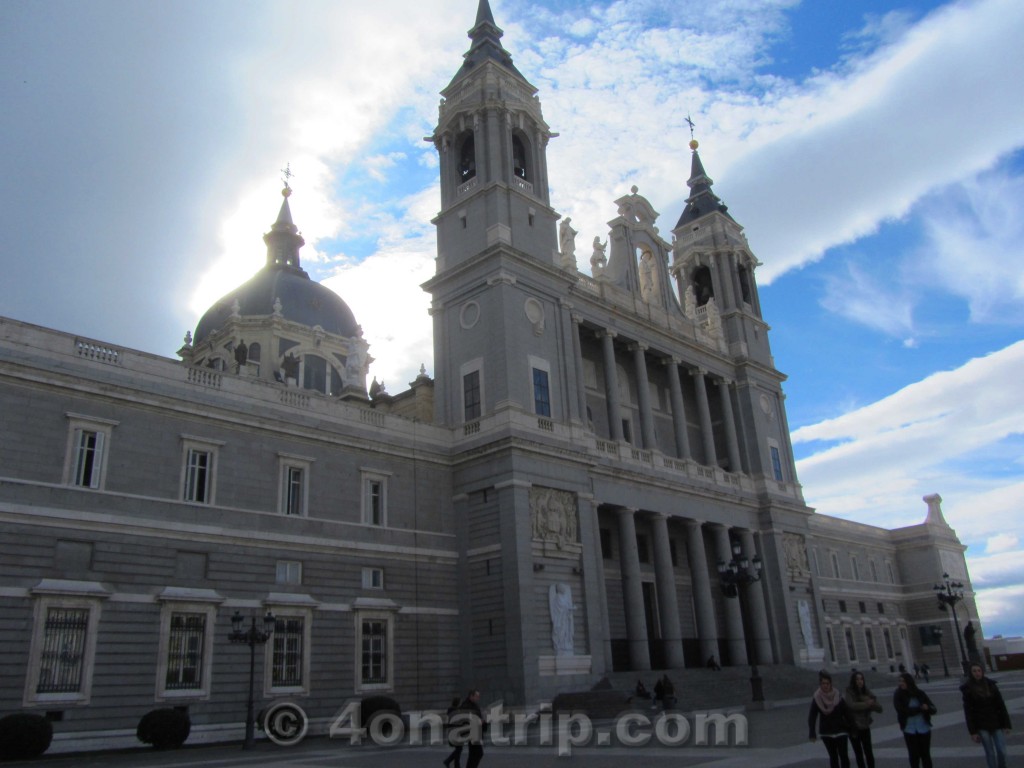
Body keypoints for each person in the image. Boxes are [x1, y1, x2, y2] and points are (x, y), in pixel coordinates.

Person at [960, 662, 1012, 768]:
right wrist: (973, 732)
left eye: (979, 670)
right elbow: (968, 712)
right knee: (990, 752)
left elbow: (1001, 705)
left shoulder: (991, 685)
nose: (977, 673)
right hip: (981, 724)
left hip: (996, 721)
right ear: (971, 673)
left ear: (982, 671)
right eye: (974, 671)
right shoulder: (968, 689)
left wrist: (1007, 724)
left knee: (1001, 750)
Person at [808, 670, 851, 768]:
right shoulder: (817, 697)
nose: (825, 686)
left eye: (827, 683)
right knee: (833, 756)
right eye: (823, 683)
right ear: (820, 684)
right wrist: (812, 732)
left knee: (844, 756)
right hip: (826, 732)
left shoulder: (837, 695)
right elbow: (812, 716)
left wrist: (851, 727)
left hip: (840, 730)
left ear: (831, 684)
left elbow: (846, 712)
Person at [893, 672, 936, 768]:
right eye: (900, 681)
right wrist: (920, 709)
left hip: (924, 727)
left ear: (909, 682)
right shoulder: (898, 695)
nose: (901, 683)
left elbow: (933, 708)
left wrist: (927, 708)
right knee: (914, 756)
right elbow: (902, 711)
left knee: (926, 755)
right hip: (909, 729)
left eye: (903, 681)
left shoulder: (920, 693)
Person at [844, 671, 882, 768]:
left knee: (868, 751)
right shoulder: (849, 691)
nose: (860, 681)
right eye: (857, 679)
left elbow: (879, 707)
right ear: (853, 681)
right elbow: (851, 705)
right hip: (854, 727)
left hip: (865, 726)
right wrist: (867, 704)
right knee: (858, 753)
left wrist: (871, 702)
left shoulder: (867, 691)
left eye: (861, 679)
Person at [461, 689, 486, 768]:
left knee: (474, 753)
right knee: (478, 753)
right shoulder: (466, 706)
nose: (478, 698)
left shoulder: (473, 705)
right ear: (471, 696)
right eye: (476, 696)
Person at [443, 696, 463, 768]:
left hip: (452, 732)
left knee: (458, 749)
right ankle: (451, 763)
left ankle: (451, 763)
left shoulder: (451, 711)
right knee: (459, 749)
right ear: (458, 703)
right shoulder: (456, 711)